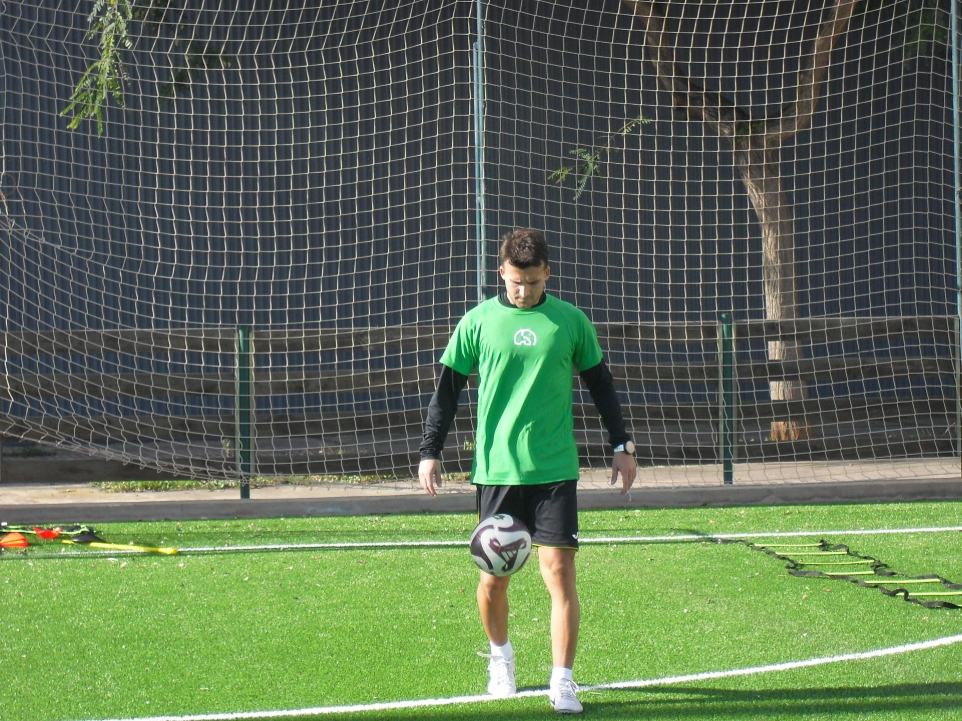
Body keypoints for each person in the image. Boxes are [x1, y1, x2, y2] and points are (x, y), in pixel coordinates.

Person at [418, 228, 637, 715]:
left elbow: (601, 385)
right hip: (496, 471)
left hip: (555, 469)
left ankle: (563, 680)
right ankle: (501, 659)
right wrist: (430, 451)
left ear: (548, 275)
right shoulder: (477, 322)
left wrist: (621, 443)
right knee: (494, 579)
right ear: (502, 272)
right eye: (517, 281)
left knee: (559, 572)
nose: (524, 291)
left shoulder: (570, 322)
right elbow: (447, 392)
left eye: (534, 282)